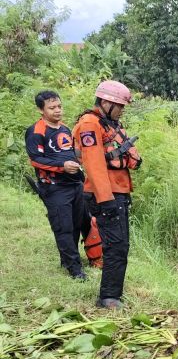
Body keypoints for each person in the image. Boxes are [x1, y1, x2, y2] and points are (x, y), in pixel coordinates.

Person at [73, 80, 142, 310]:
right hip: (106, 195)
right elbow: (94, 165)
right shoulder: (89, 124)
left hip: (116, 193)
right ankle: (109, 298)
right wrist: (106, 199)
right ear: (105, 102)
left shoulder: (108, 124)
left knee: (121, 245)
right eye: (119, 106)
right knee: (116, 246)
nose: (122, 110)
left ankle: (112, 294)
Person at [25, 90, 91, 280]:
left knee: (76, 223)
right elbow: (36, 159)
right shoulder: (36, 131)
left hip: (75, 184)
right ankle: (75, 269)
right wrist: (62, 167)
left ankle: (68, 259)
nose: (57, 111)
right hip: (54, 186)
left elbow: (70, 152)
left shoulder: (64, 128)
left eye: (59, 106)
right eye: (52, 108)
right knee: (63, 227)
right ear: (41, 110)